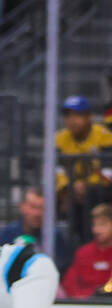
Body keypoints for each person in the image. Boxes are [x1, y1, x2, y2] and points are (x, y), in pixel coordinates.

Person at [55, 95, 112, 243]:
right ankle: (62, 245)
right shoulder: (60, 138)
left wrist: (86, 186)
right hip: (72, 191)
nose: (72, 121)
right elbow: (57, 170)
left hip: (101, 190)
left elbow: (108, 173)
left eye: (77, 115)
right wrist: (68, 187)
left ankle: (88, 242)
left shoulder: (104, 136)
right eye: (68, 116)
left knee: (91, 195)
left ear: (88, 117)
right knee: (54, 196)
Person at [0, 187, 71, 271]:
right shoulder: (7, 233)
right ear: (22, 207)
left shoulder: (55, 235)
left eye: (42, 208)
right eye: (33, 207)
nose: (37, 213)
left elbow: (61, 267)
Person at [60, 203, 112, 299]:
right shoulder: (83, 253)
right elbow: (70, 283)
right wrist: (87, 297)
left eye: (102, 225)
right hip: (86, 305)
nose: (97, 230)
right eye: (94, 225)